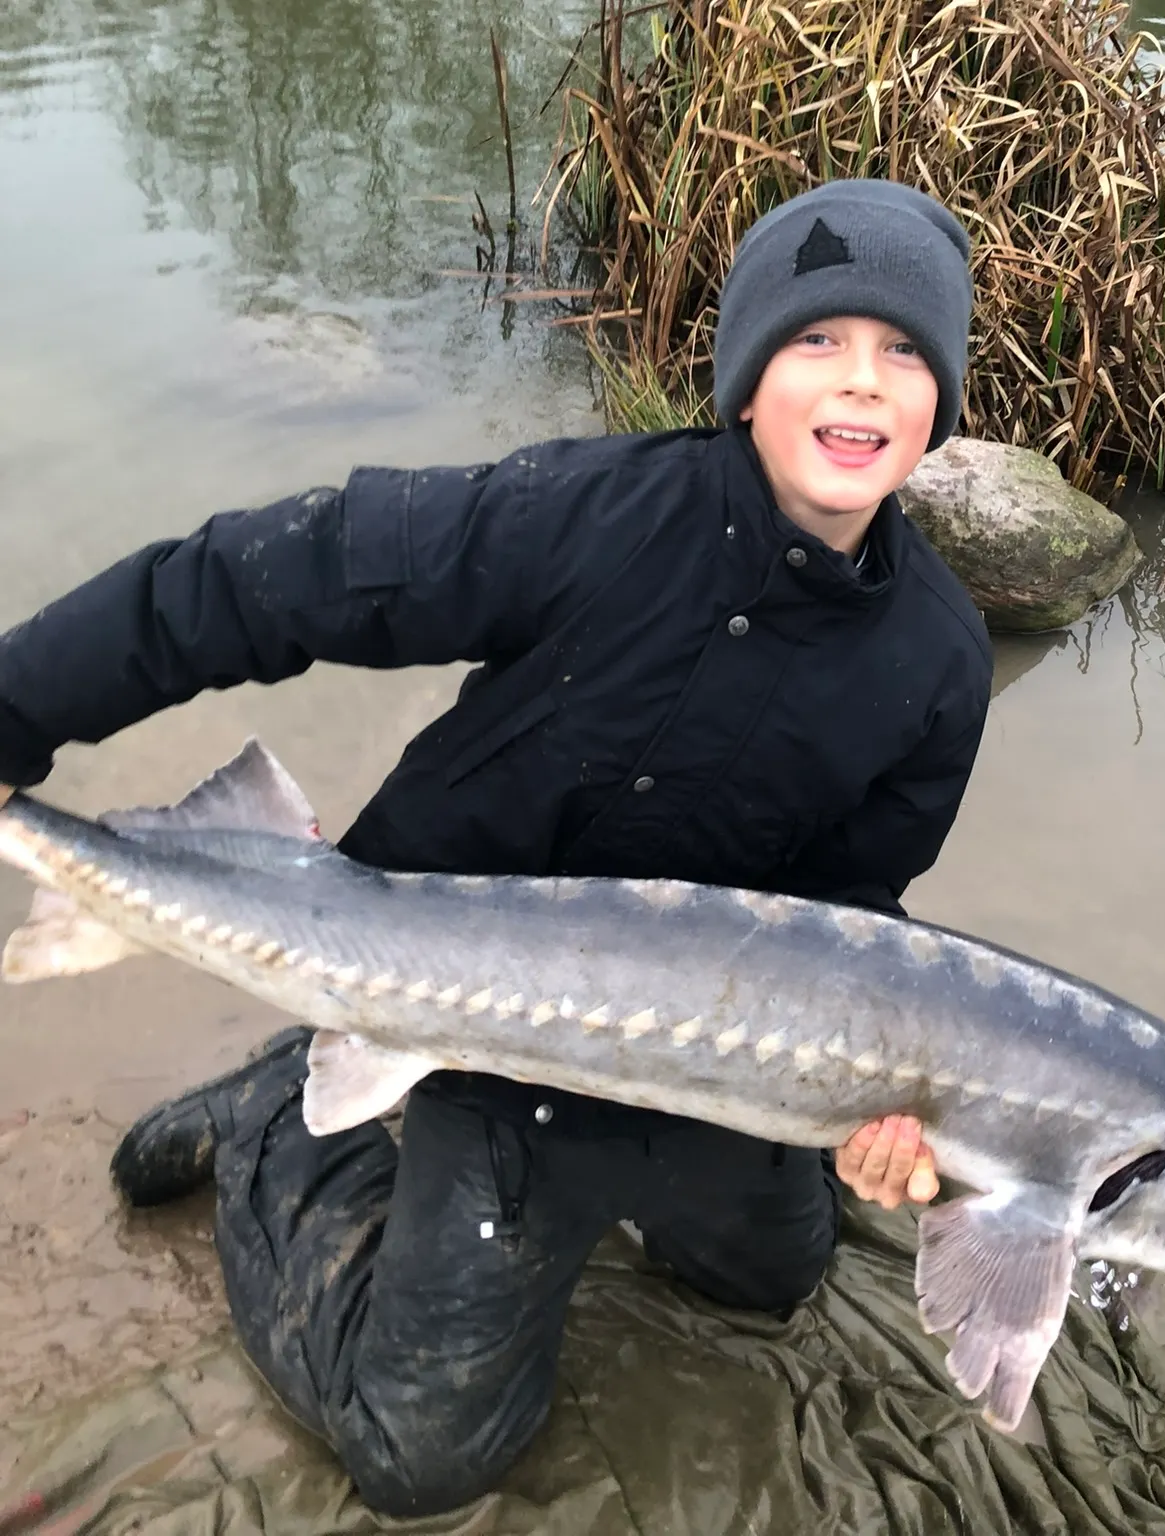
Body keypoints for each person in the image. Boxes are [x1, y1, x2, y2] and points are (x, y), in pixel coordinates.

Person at [0, 178, 992, 1514]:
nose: (861, 383)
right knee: (424, 1459)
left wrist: (877, 1113)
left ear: (943, 403)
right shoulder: (578, 517)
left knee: (772, 1281)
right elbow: (250, 580)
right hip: (471, 1006)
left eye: (905, 352)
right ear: (747, 380)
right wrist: (15, 712)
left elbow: (854, 912)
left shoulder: (940, 661)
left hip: (701, 1050)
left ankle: (317, 1051)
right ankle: (273, 1119)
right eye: (818, 340)